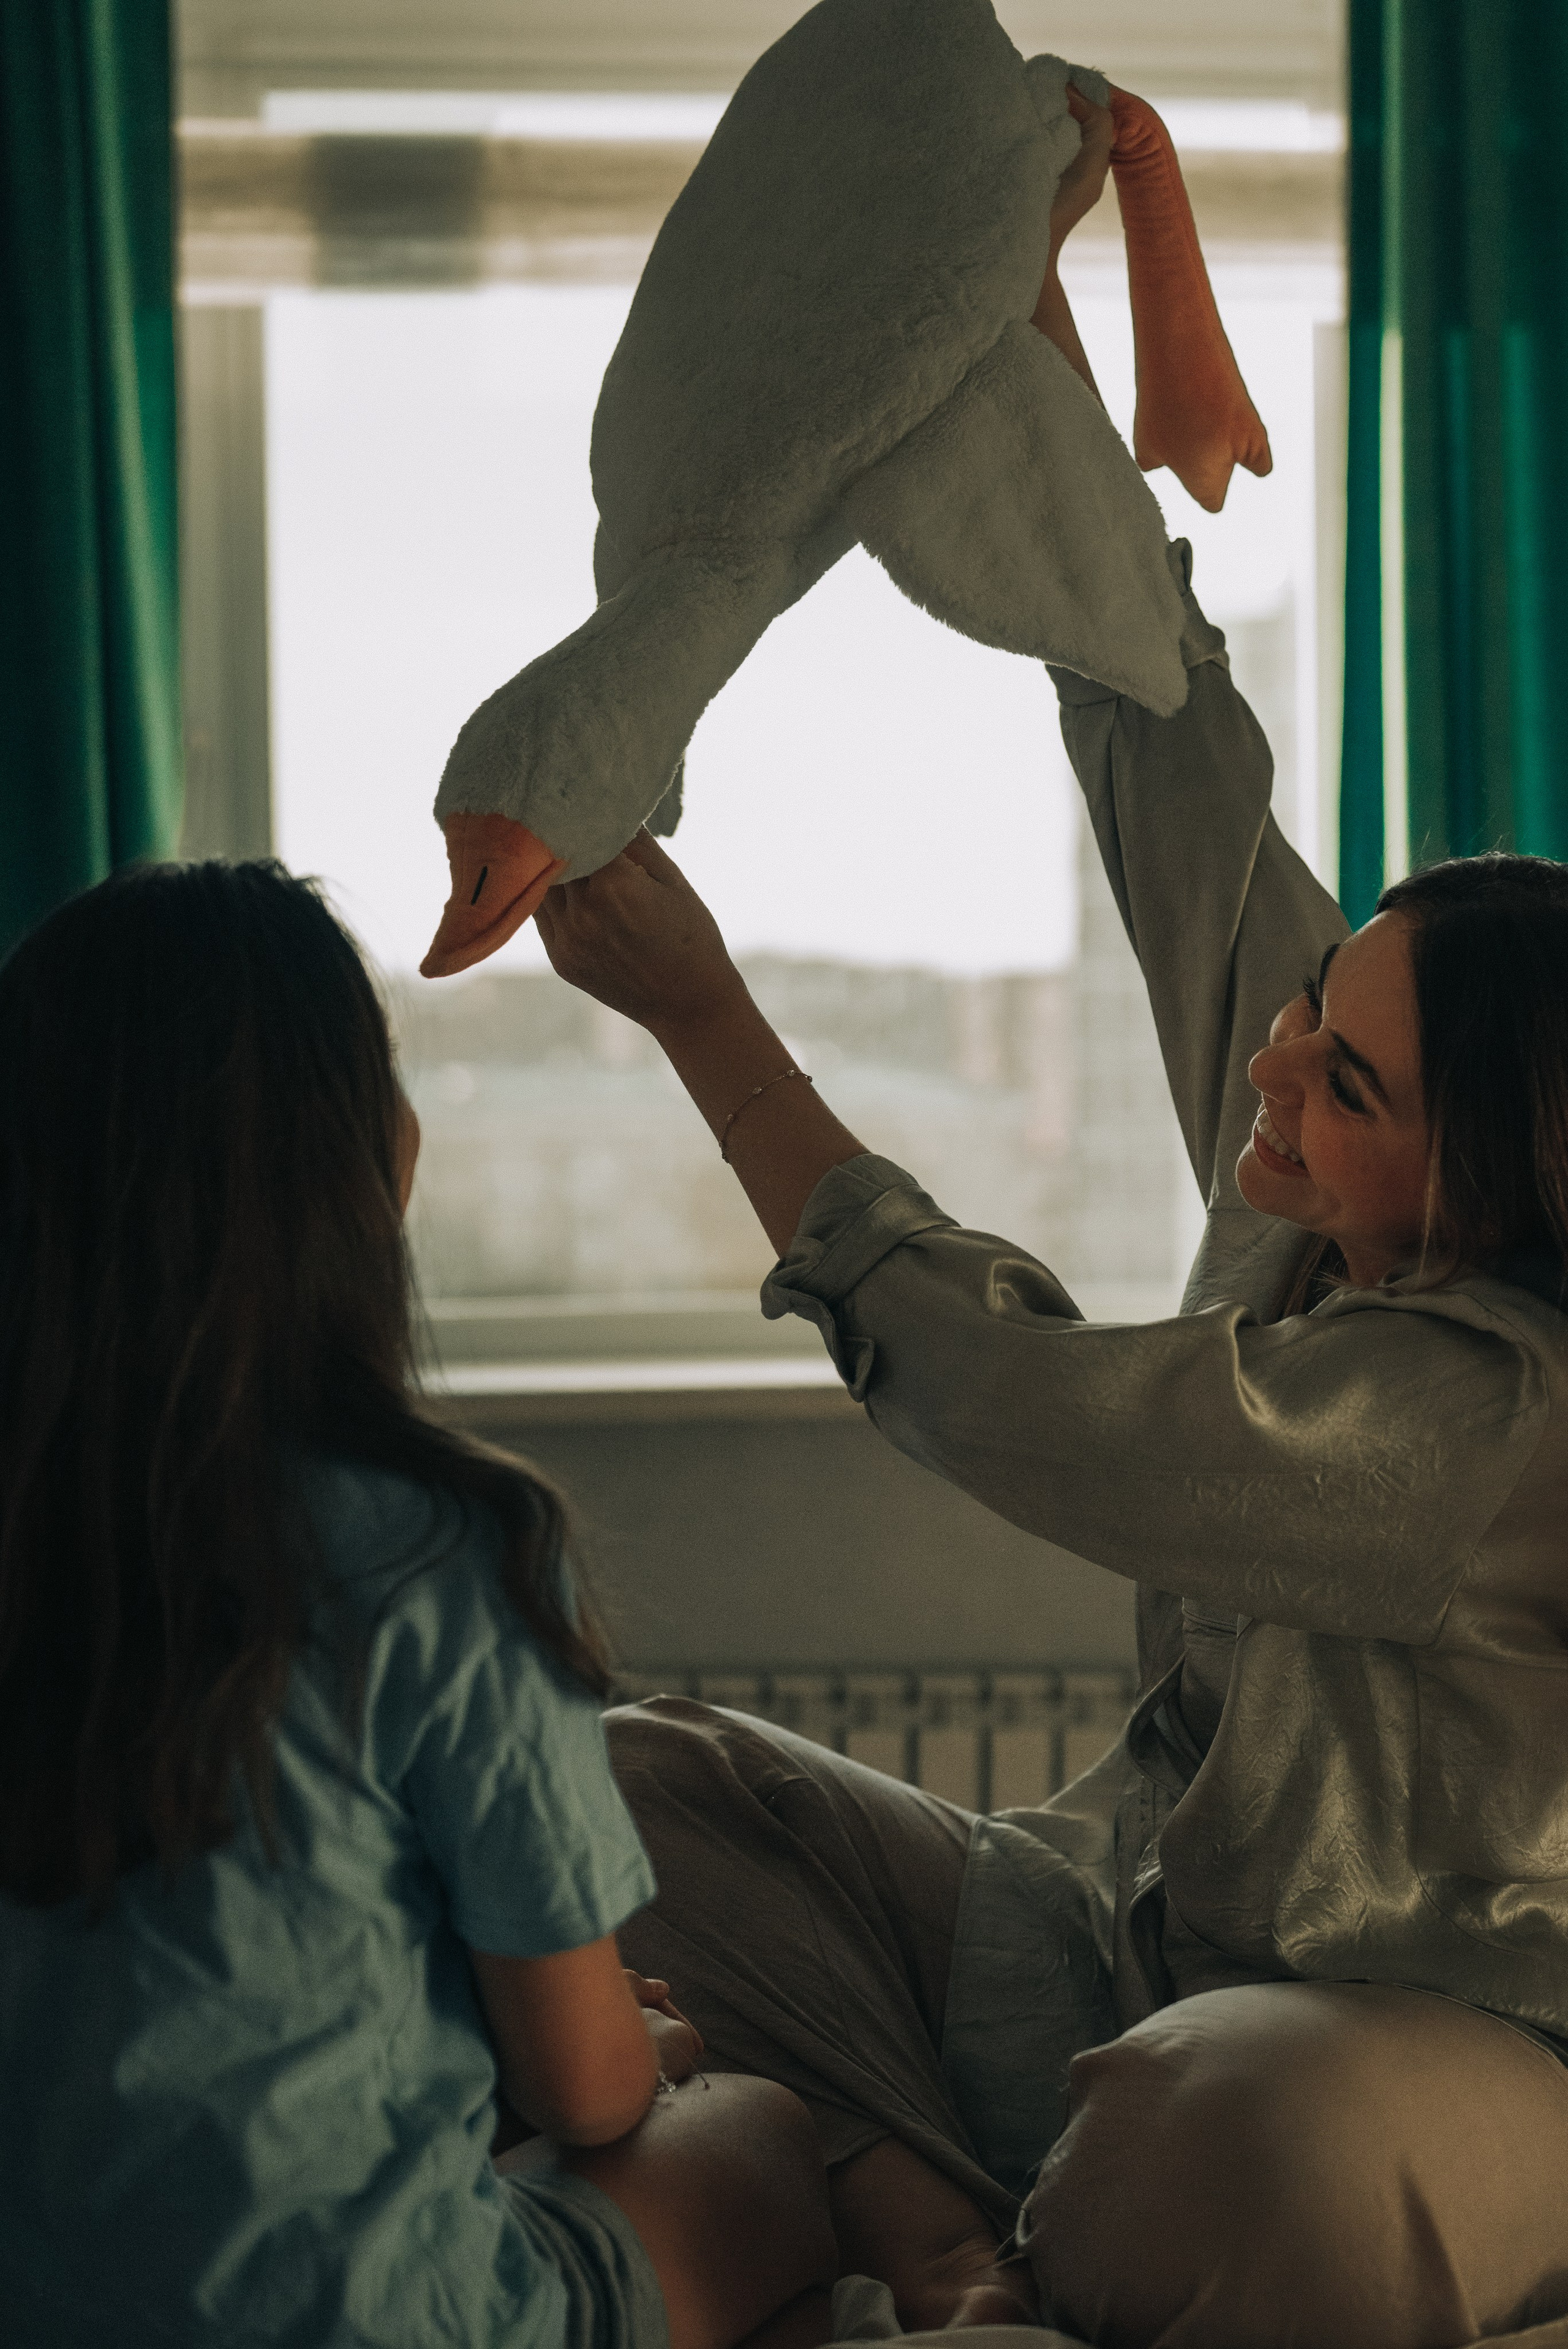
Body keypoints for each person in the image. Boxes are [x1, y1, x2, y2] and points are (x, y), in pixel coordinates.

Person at [527, 104, 1568, 2345]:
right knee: (631, 1780)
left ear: (1489, 1182)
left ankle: (957, 2203)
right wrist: (1021, 320)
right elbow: (1163, 730)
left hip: (1421, 2036)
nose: (1276, 1071)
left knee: (1237, 2126)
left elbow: (1023, 1401)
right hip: (1117, 1941)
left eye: (1347, 1076)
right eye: (1307, 1011)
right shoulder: (1313, 1177)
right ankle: (940, 2192)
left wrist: (717, 1030)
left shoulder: (1487, 1411)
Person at [0, 861, 835, 2349]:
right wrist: (641, 2043)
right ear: (350, 1159)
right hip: (376, 2316)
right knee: (756, 2134)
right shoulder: (436, 1546)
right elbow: (585, 2089)